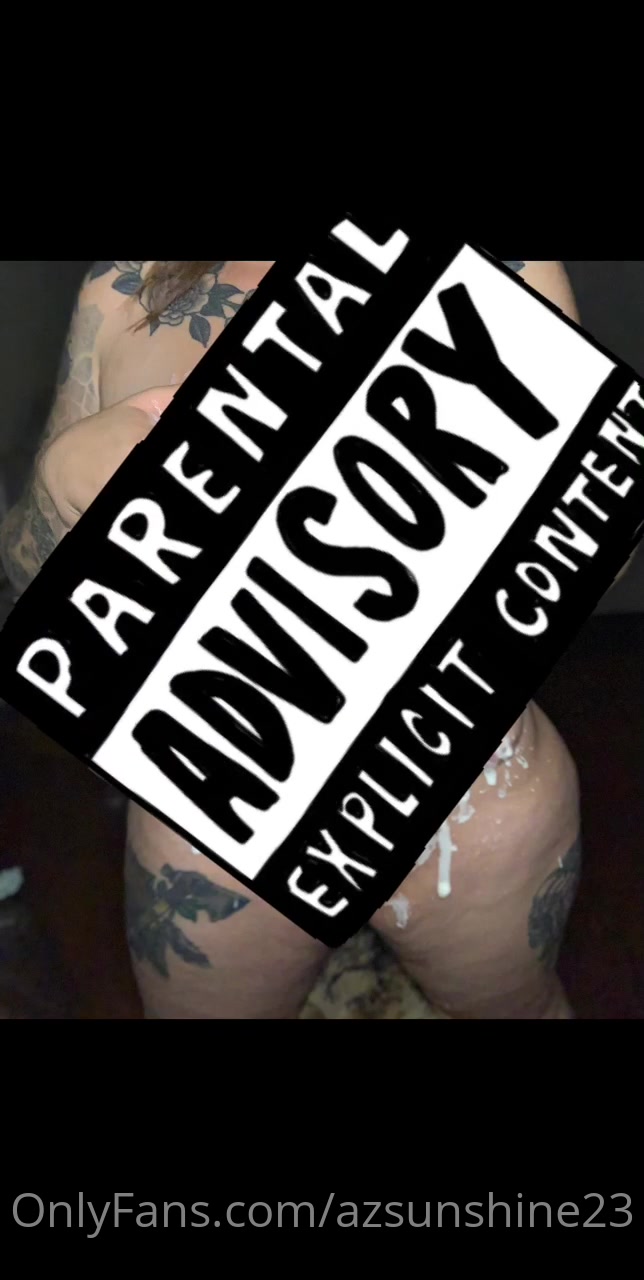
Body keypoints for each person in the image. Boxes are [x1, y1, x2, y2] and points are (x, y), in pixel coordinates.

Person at [0, 257, 586, 1019]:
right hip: (214, 802)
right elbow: (34, 593)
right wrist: (61, 486)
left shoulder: (499, 265)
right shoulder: (121, 292)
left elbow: (588, 537)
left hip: (472, 791)